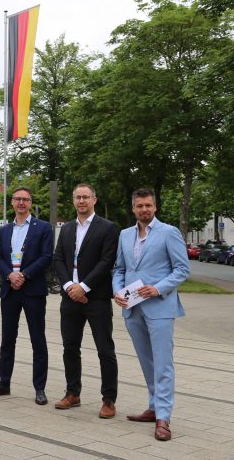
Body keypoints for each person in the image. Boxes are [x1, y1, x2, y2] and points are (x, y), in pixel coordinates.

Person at [112, 188, 190, 441]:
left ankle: (164, 417)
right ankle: (154, 406)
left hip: (160, 308)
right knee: (147, 362)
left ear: (155, 207)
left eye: (148, 205)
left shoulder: (169, 233)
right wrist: (117, 291)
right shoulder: (124, 235)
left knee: (163, 363)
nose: (144, 209)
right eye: (139, 206)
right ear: (133, 208)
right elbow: (119, 269)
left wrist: (157, 289)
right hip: (132, 308)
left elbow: (182, 269)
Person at [53, 184, 119, 418]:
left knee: (105, 349)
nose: (81, 201)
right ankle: (73, 393)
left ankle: (109, 400)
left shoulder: (108, 228)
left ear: (94, 200)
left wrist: (84, 286)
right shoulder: (67, 228)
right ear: (73, 201)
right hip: (70, 298)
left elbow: (106, 260)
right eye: (77, 197)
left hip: (97, 298)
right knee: (70, 348)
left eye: (86, 197)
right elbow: (59, 258)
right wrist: (70, 286)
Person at [0, 186, 53, 404]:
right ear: (12, 203)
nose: (21, 203)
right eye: (17, 199)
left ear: (30, 203)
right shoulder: (5, 230)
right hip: (10, 290)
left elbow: (46, 257)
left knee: (37, 340)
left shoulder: (43, 227)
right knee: (8, 339)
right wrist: (9, 275)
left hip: (32, 290)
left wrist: (23, 275)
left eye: (25, 199)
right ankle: (4, 383)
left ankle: (40, 388)